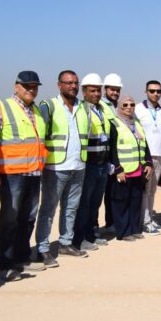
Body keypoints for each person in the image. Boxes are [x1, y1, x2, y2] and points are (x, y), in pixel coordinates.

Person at [0, 71, 48, 281]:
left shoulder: (36, 111)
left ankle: (22, 257)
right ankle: (6, 264)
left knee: (28, 217)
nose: (31, 90)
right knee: (9, 220)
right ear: (16, 87)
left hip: (34, 173)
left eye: (34, 86)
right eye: (27, 86)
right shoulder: (2, 108)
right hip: (11, 175)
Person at [35, 70, 90, 268]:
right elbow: (40, 136)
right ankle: (42, 249)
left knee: (71, 208)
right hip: (55, 167)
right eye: (68, 83)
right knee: (48, 209)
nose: (73, 86)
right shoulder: (49, 106)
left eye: (75, 83)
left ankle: (66, 243)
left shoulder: (84, 107)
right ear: (59, 85)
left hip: (78, 165)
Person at [73, 74, 113, 252]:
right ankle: (79, 238)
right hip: (88, 163)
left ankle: (90, 234)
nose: (96, 94)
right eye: (92, 90)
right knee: (84, 203)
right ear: (84, 91)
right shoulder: (81, 109)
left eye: (98, 90)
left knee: (95, 202)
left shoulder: (102, 109)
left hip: (102, 163)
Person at [109, 96, 152, 241]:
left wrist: (148, 163)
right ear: (120, 107)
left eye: (132, 104)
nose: (129, 107)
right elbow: (112, 150)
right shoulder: (114, 124)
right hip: (123, 171)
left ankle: (135, 229)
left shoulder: (137, 123)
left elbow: (144, 145)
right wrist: (118, 169)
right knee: (122, 203)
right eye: (125, 105)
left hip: (138, 171)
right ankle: (124, 232)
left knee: (135, 201)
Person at [135, 80, 161, 235]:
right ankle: (144, 222)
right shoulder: (138, 109)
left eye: (158, 91)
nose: (156, 94)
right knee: (145, 190)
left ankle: (148, 218)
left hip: (160, 156)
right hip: (145, 157)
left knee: (152, 190)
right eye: (152, 91)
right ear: (146, 92)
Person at [101, 73, 123, 232]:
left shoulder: (119, 106)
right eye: (112, 89)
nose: (115, 92)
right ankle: (96, 225)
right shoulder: (101, 105)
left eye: (117, 90)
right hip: (105, 154)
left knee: (113, 192)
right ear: (105, 89)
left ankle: (111, 222)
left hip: (117, 153)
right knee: (99, 194)